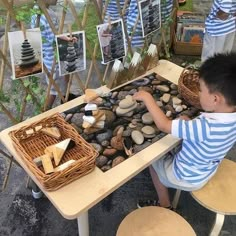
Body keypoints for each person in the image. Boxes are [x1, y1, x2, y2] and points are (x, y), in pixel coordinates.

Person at [133, 53, 236, 209]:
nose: (199, 93)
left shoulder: (205, 128)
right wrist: (190, 124)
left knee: (152, 160)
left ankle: (164, 204)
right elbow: (206, 135)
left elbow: (164, 125)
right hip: (206, 170)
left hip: (184, 176)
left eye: (201, 90)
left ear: (215, 99)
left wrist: (147, 98)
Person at [31, 0, 77, 110]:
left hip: (56, 55)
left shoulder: (45, 10)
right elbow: (51, 38)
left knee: (65, 78)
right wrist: (67, 38)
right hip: (52, 58)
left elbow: (53, 33)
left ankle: (66, 98)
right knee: (53, 90)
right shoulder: (40, 15)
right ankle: (45, 110)